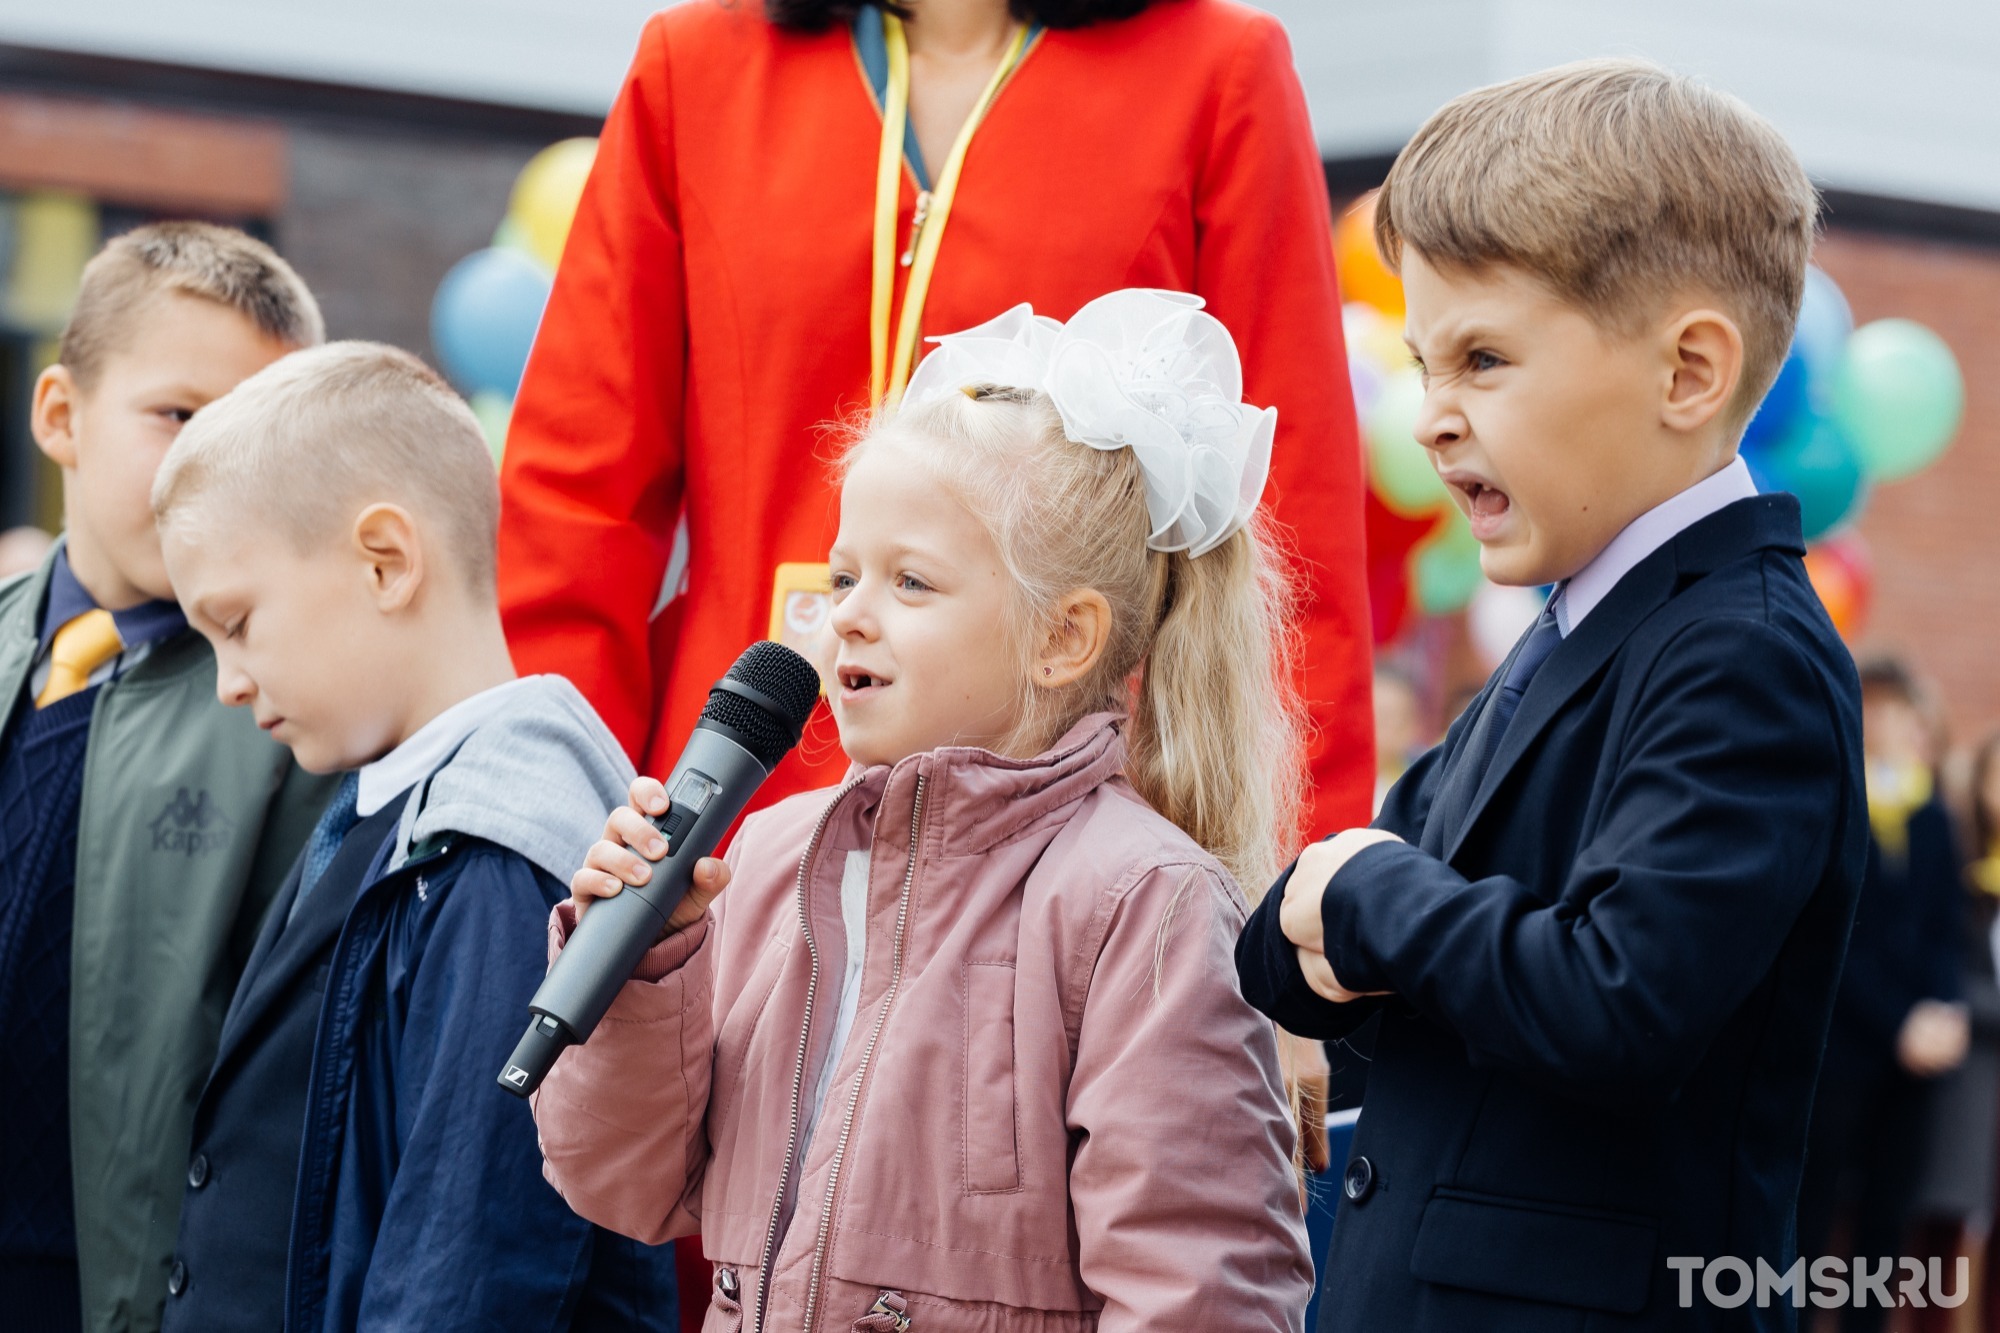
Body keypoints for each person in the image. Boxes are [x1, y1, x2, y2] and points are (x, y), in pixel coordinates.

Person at [532, 290, 1314, 1330]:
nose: (848, 613)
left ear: (1061, 638)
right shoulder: (768, 853)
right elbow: (622, 1184)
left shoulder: (1145, 903)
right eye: (845, 573)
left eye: (910, 582)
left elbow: (1195, 1290)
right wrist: (640, 969)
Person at [1235, 60, 1866, 1330]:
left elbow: (1616, 999)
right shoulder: (1574, 626)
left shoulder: (1741, 655)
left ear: (1687, 371)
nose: (1430, 419)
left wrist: (1362, 899)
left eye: (1481, 359)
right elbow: (1295, 943)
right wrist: (1338, 916)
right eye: (1422, 363)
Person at [496, 0, 1378, 850]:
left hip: (1067, 844)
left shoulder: (1220, 70)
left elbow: (1289, 529)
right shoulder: (692, 65)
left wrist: (1293, 910)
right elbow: (574, 512)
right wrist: (540, 838)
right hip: (726, 812)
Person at [151, 344, 679, 1331]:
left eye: (238, 622)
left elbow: (470, 1255)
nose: (226, 681)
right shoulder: (388, 815)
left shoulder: (491, 863)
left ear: (384, 561)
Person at [0, 223, 336, 1333]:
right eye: (180, 417)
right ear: (61, 417)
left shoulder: (299, 718)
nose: (215, 466)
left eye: (258, 434)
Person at [1797, 656, 1967, 1332]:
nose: (1908, 728)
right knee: (1813, 1215)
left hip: (1915, 1057)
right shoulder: (1835, 801)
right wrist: (1900, 1020)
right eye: (1896, 711)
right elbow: (1838, 937)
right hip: (1844, 1046)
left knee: (1886, 1220)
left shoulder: (1932, 815)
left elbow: (1943, 927)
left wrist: (1943, 1008)